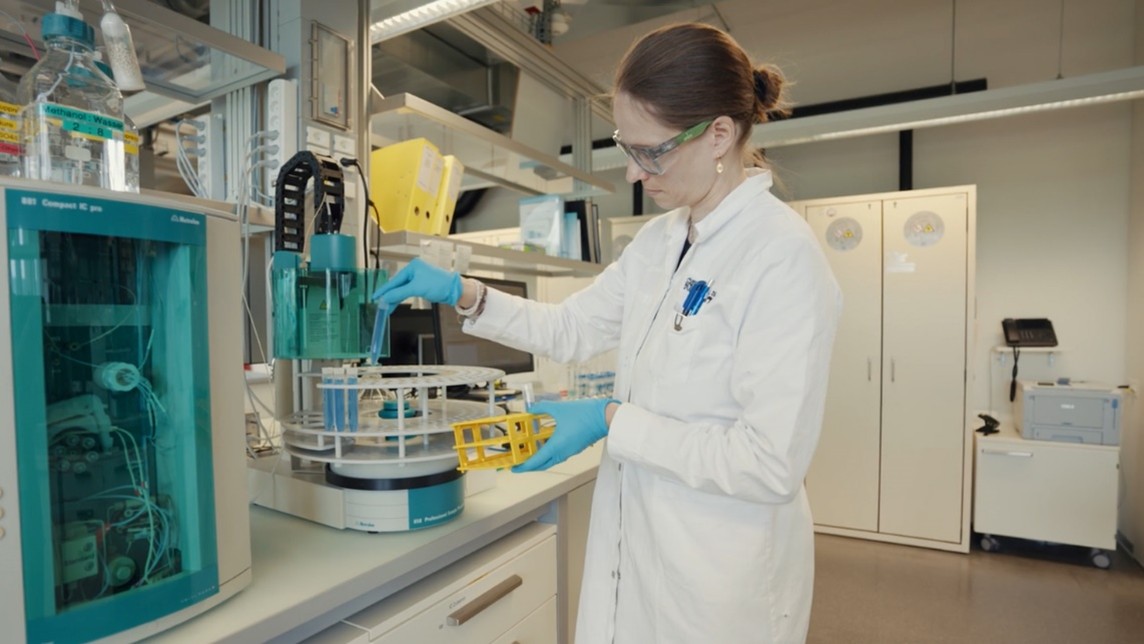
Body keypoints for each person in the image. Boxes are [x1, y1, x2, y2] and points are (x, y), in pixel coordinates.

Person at [373, 22, 841, 644]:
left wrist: (613, 420)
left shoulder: (782, 255)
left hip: (721, 580)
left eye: (652, 152)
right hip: (639, 547)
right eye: (627, 145)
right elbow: (570, 327)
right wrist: (464, 291)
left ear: (720, 135)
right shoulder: (661, 241)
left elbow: (768, 463)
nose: (632, 173)